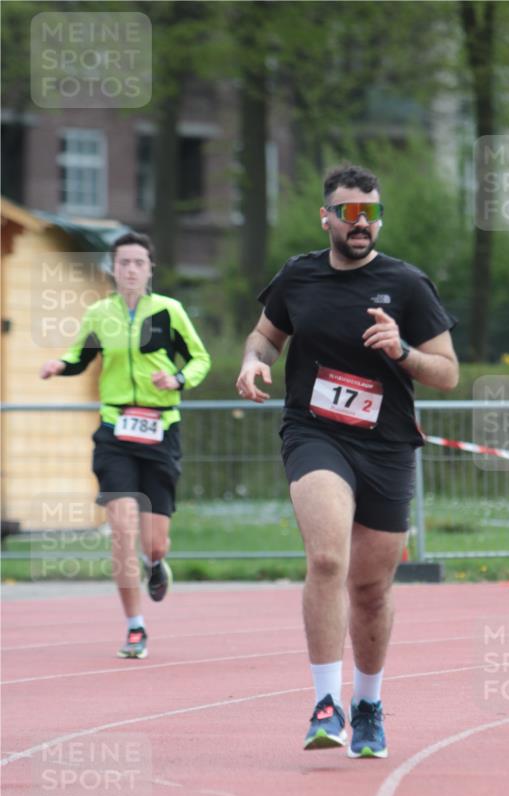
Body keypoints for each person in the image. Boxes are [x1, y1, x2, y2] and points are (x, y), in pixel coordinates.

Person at [236, 164, 458, 758]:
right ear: (327, 216)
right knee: (328, 558)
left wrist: (403, 350)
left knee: (370, 588)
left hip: (385, 445)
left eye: (372, 213)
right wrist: (254, 360)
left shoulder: (407, 285)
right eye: (350, 213)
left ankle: (368, 705)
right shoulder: (298, 277)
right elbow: (264, 336)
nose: (362, 223)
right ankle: (325, 702)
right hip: (314, 432)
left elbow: (447, 372)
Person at [40, 231, 211, 659]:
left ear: (150, 269)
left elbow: (200, 359)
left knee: (154, 542)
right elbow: (81, 357)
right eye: (123, 263)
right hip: (115, 429)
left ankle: (156, 563)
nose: (130, 269)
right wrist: (59, 365)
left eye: (138, 262)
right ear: (113, 269)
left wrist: (176, 379)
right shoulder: (100, 313)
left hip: (160, 430)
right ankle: (135, 626)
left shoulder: (169, 312)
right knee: (121, 529)